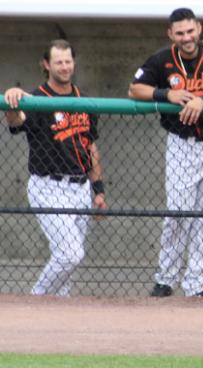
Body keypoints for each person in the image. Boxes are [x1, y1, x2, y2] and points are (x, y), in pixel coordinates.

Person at [128, 8, 203, 298]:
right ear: (171, 34)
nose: (187, 37)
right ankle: (166, 278)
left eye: (190, 31)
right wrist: (166, 94)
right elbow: (134, 89)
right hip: (182, 144)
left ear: (199, 28)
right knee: (177, 213)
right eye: (181, 33)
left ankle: (196, 283)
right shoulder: (162, 59)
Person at [2, 39, 107, 296]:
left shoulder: (83, 100)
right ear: (46, 64)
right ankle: (36, 299)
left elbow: (90, 147)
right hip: (48, 186)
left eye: (68, 61)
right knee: (70, 255)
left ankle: (59, 314)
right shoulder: (36, 99)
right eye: (58, 62)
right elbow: (16, 123)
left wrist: (99, 190)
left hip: (80, 187)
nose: (64, 66)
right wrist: (12, 101)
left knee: (67, 260)